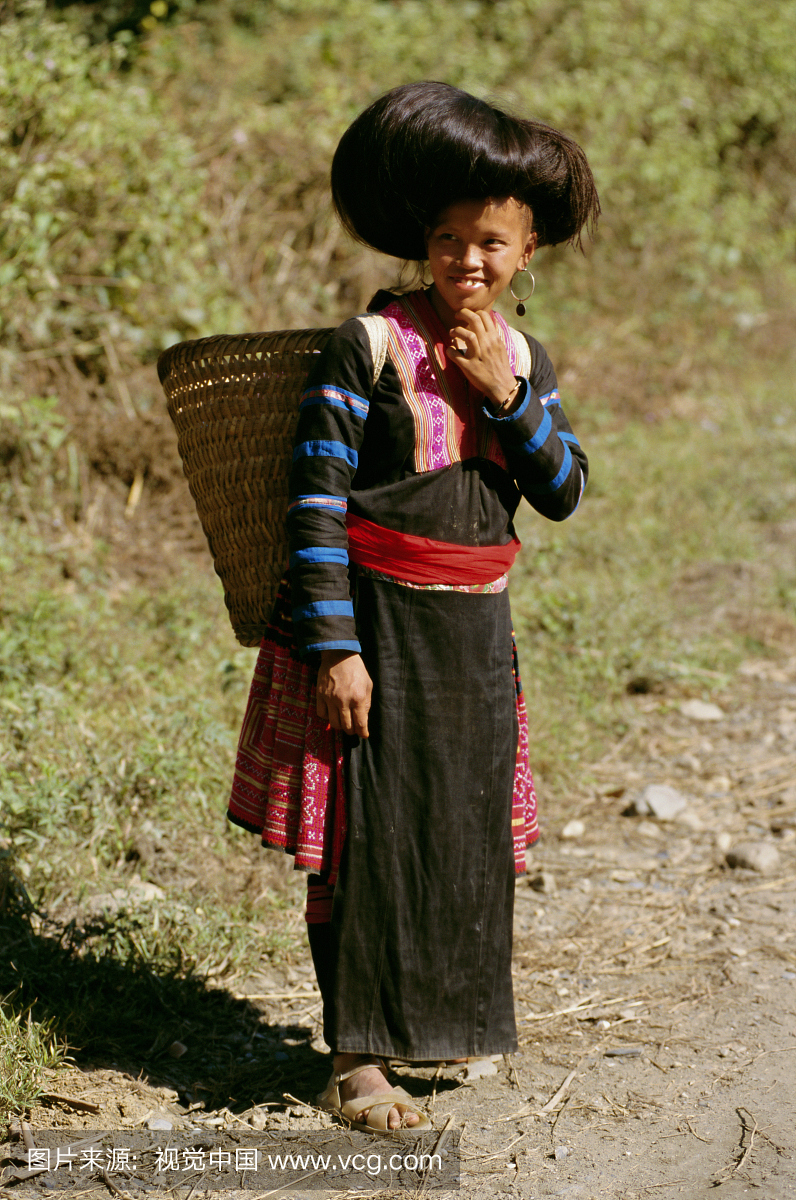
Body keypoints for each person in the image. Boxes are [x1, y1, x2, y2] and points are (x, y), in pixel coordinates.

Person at [228, 81, 599, 1132]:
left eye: (490, 241)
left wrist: (507, 398)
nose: (467, 261)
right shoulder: (368, 347)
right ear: (419, 242)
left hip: (475, 633)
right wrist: (337, 653)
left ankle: (436, 1023)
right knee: (365, 833)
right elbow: (312, 511)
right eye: (447, 238)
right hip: (373, 628)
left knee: (458, 829)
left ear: (528, 253)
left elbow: (563, 491)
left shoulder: (522, 361)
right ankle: (357, 1060)